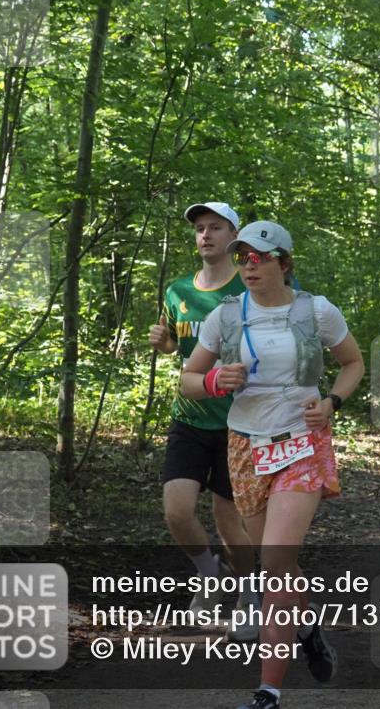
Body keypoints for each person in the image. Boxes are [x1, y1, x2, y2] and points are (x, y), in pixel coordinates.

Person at [181, 220, 364, 709]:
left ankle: (268, 691)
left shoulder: (317, 311)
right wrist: (218, 379)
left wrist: (332, 402)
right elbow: (188, 380)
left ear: (284, 263)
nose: (249, 266)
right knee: (277, 561)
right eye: (242, 258)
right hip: (246, 447)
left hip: (303, 443)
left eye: (259, 257)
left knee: (276, 564)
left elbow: (353, 363)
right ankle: (307, 629)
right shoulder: (225, 316)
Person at [148, 202, 258, 633]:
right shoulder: (178, 291)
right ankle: (209, 575)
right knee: (176, 511)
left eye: (215, 227)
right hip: (190, 418)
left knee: (230, 521)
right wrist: (164, 344)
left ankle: (250, 596)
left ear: (234, 235)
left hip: (239, 421)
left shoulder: (249, 286)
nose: (205, 235)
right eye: (199, 229)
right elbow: (180, 346)